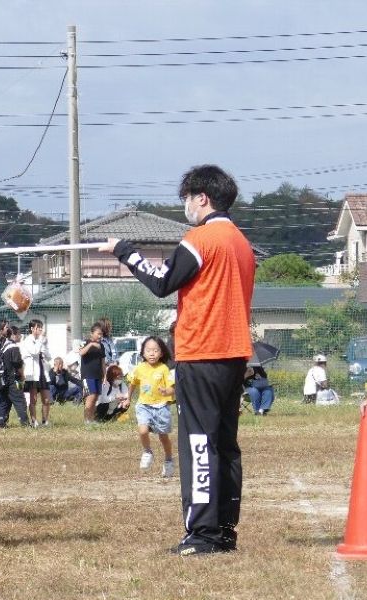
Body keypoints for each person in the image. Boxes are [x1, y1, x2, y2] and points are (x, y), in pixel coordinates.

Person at [100, 164, 256, 556]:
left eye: (187, 198)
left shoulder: (201, 238)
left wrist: (125, 251)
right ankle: (224, 529)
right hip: (234, 353)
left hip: (202, 352)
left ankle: (202, 533)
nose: (185, 205)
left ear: (202, 198)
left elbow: (161, 282)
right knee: (225, 444)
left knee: (199, 443)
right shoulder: (241, 241)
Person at [120, 337, 175, 477]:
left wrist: (166, 391)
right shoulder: (139, 368)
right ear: (143, 353)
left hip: (161, 407)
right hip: (144, 405)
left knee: (163, 437)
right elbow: (132, 383)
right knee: (143, 430)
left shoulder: (164, 369)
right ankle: (147, 451)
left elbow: (172, 388)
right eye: (149, 350)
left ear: (161, 353)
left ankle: (169, 460)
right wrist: (128, 398)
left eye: (156, 350)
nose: (152, 353)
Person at [20, 319, 49, 427]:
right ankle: (34, 421)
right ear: (32, 329)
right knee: (33, 399)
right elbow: (35, 352)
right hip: (32, 372)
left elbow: (48, 355)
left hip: (42, 371)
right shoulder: (28, 340)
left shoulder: (41, 341)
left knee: (46, 399)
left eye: (41, 327)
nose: (40, 330)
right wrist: (41, 342)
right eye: (38, 328)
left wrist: (43, 348)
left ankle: (45, 421)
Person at [79, 323, 105, 424]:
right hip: (88, 376)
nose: (100, 336)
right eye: (98, 334)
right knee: (90, 397)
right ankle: (87, 421)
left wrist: (104, 375)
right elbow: (81, 352)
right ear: (92, 333)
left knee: (95, 398)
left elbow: (103, 362)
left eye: (101, 334)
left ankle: (92, 419)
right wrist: (91, 344)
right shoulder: (84, 342)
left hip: (98, 375)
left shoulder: (101, 346)